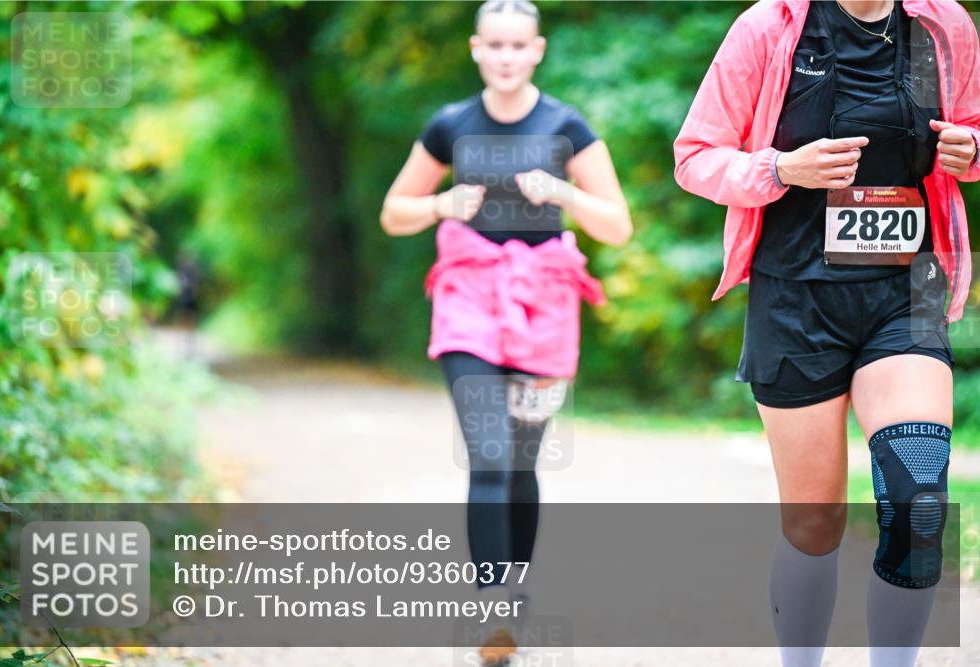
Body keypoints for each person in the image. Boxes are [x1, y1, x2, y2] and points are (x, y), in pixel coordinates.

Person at [673, 1, 977, 666]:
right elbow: (694, 157)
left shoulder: (944, 25)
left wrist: (973, 149)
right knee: (814, 525)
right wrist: (780, 169)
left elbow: (973, 132)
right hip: (795, 296)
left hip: (907, 292)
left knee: (919, 500)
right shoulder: (770, 27)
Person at [380, 0, 631, 662]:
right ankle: (493, 612)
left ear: (538, 50)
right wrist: (442, 203)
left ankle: (512, 598)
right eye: (494, 45)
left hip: (544, 308)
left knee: (521, 463)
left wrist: (564, 193)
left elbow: (617, 225)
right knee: (489, 455)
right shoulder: (450, 125)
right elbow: (394, 213)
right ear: (475, 49)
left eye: (518, 45)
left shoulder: (567, 126)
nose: (506, 57)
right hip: (467, 301)